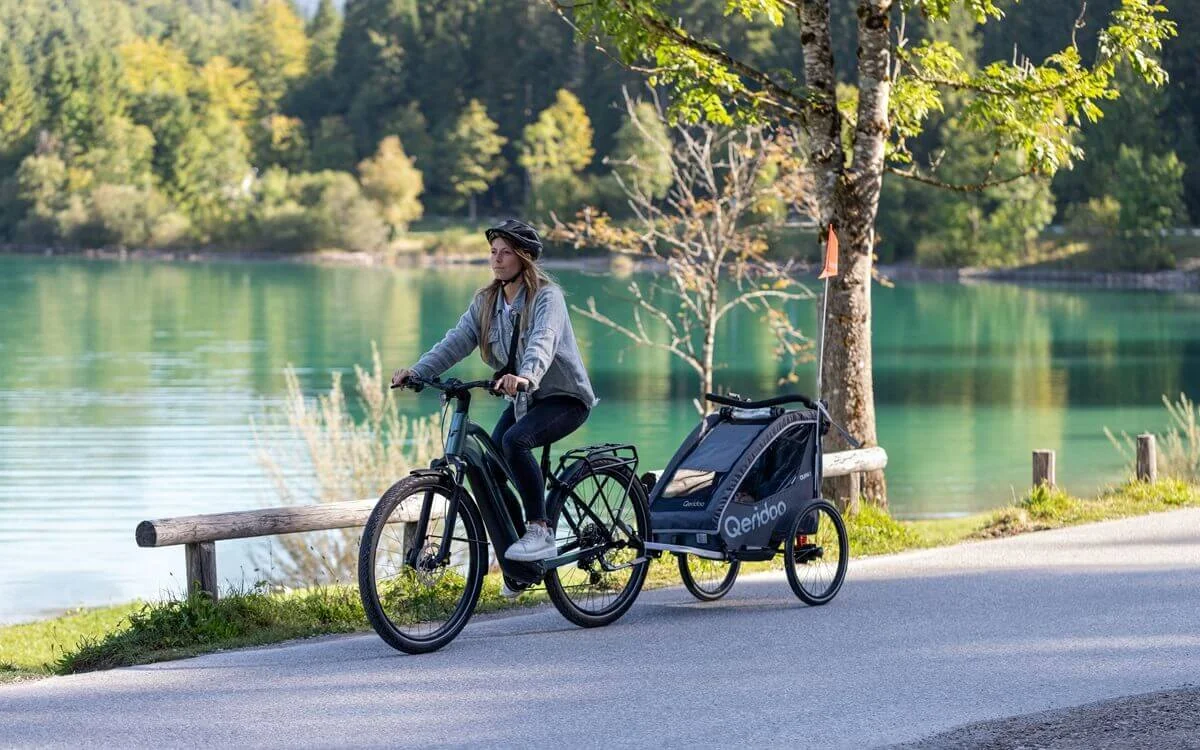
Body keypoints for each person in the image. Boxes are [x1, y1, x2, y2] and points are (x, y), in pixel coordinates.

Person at [390, 219, 597, 574]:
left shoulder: (548, 297)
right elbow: (456, 341)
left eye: (505, 253)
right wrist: (419, 371)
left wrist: (525, 376)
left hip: (564, 398)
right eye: (493, 252)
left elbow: (542, 342)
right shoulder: (487, 301)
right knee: (492, 465)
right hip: (525, 402)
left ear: (524, 258)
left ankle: (541, 530)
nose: (496, 260)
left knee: (515, 441)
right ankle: (521, 562)